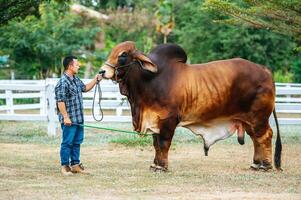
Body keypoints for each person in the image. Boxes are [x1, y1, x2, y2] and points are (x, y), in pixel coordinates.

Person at [55, 55, 102, 176]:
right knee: (67, 142)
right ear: (70, 66)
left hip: (78, 119)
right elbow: (60, 101)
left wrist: (95, 80)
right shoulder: (62, 82)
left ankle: (75, 165)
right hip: (69, 120)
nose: (79, 65)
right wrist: (65, 117)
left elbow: (85, 88)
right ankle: (65, 166)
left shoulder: (75, 79)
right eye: (77, 64)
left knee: (77, 142)